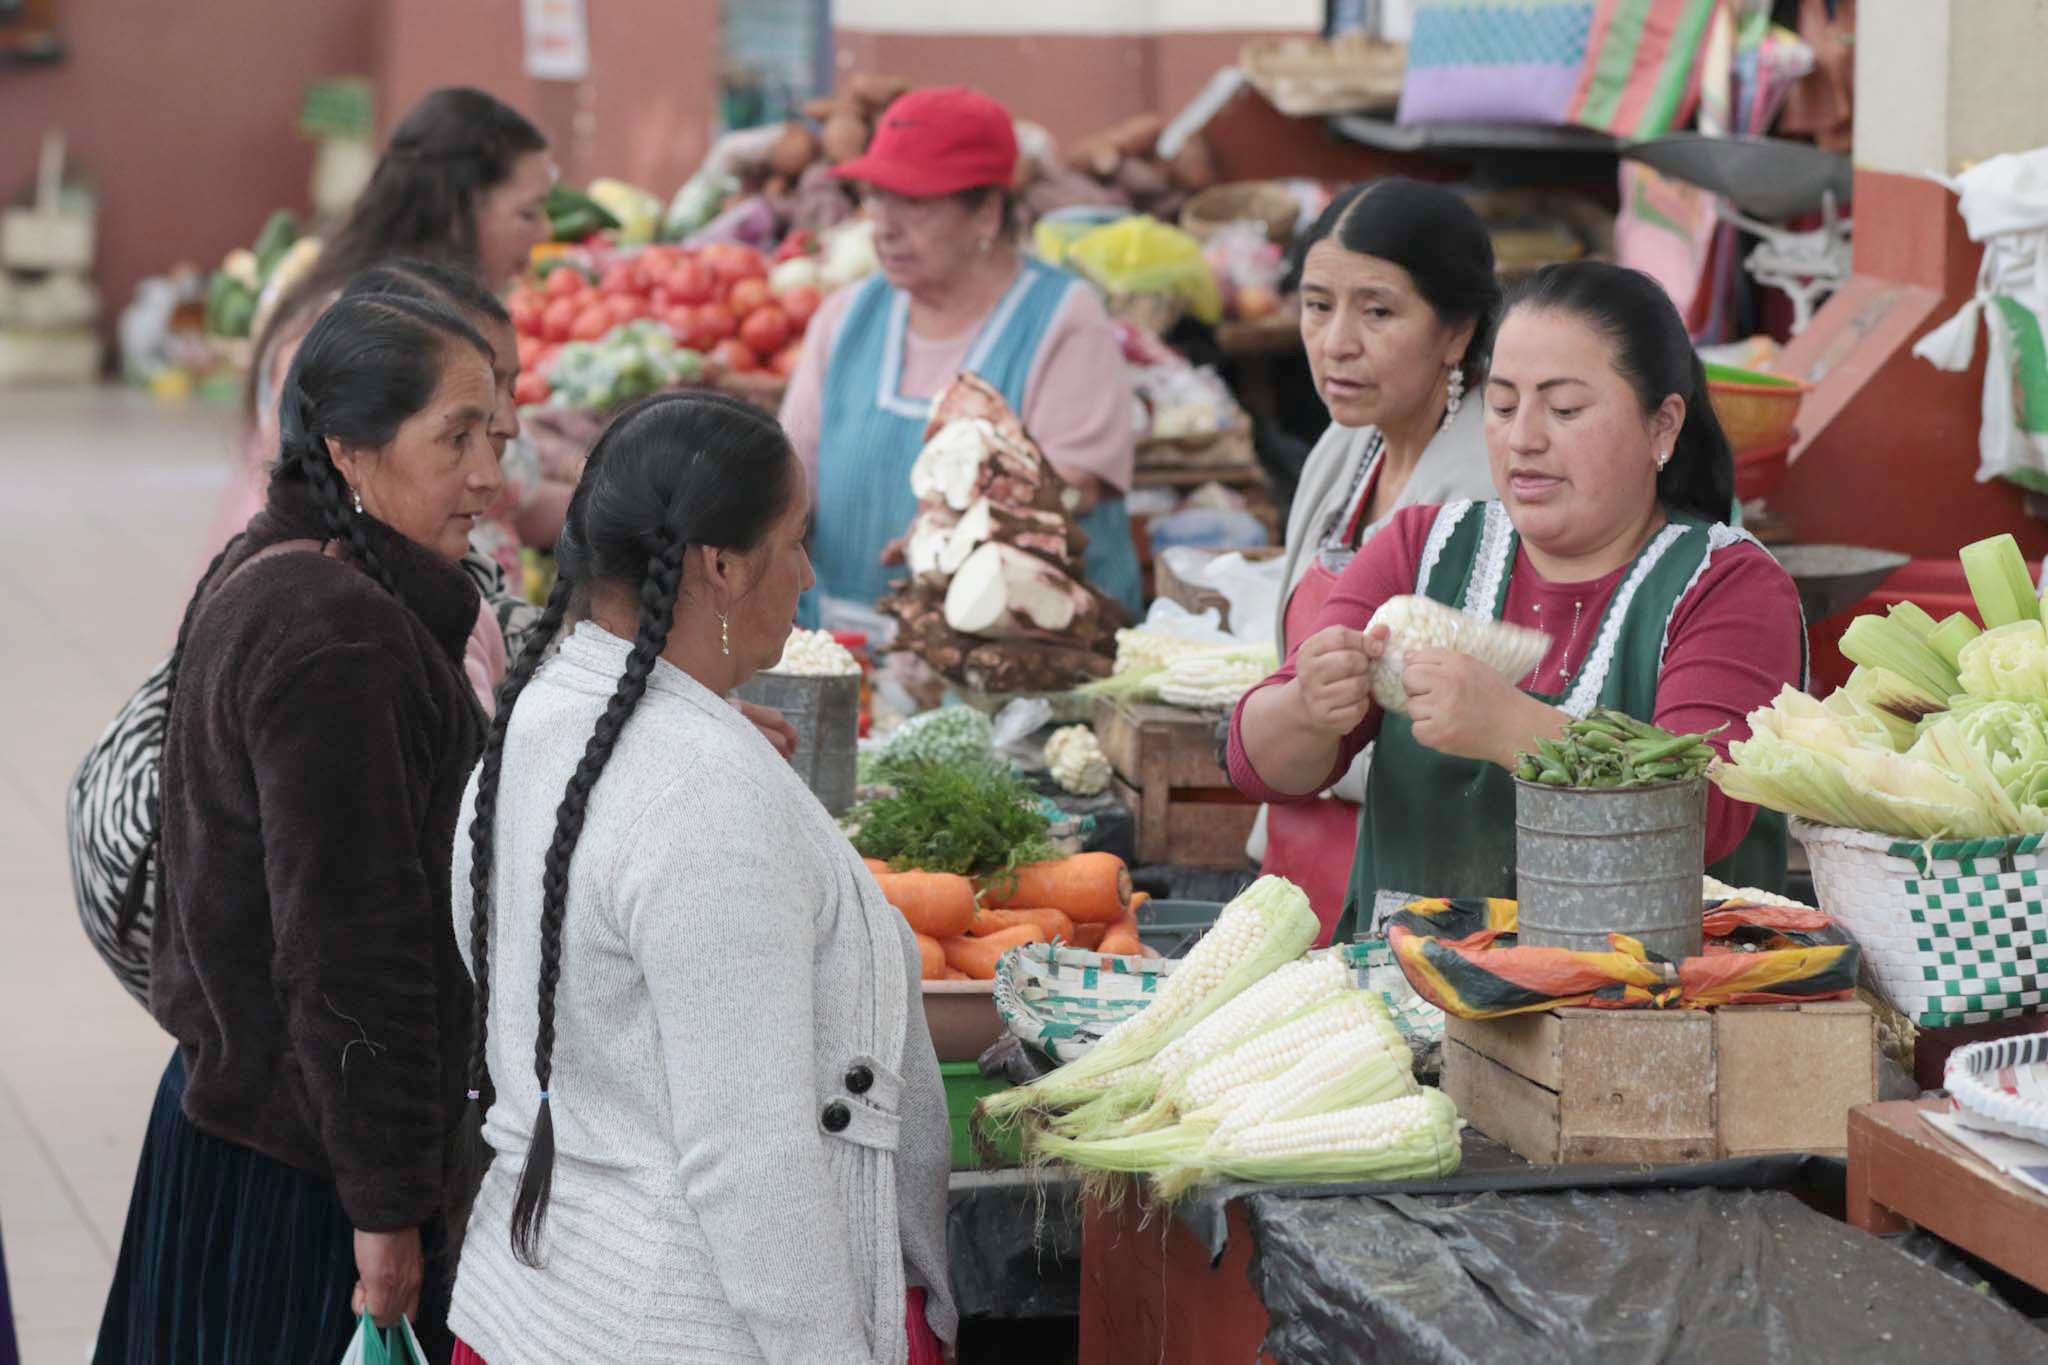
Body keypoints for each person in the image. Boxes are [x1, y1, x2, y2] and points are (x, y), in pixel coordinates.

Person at [447, 392, 954, 1363]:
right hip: (687, 1325)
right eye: (796, 543)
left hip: (539, 1304)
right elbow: (748, 1157)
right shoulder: (701, 796)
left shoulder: (543, 718)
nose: (808, 577)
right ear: (720, 566)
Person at [96, 293, 504, 1362]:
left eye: (493, 436)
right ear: (351, 448)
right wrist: (384, 1209)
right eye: (455, 436)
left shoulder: (291, 562)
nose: (488, 476)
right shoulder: (339, 637)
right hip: (302, 1168)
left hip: (238, 1124)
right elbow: (348, 947)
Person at [1230, 261, 1806, 942]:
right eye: (1502, 406)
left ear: (1663, 426)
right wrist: (1307, 707)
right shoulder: (1423, 547)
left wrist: (1512, 729)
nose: (1524, 439)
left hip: (1648, 1011)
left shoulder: (1727, 584)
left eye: (1564, 409)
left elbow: (1703, 814)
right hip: (1411, 1000)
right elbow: (1259, 764)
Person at [780, 85, 1142, 625]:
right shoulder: (847, 316)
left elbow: (1074, 486)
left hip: (1021, 654)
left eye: (915, 203)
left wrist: (954, 529)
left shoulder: (1062, 317)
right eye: (876, 197)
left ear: (988, 213)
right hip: (848, 649)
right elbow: (790, 480)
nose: (885, 225)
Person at [1251, 179, 1506, 943]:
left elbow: (1464, 734)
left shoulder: (1488, 490)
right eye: (1318, 304)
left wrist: (1292, 730)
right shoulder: (1345, 445)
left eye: (1378, 311)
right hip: (1294, 865)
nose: (1336, 342)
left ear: (1456, 332)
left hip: (1413, 886)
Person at [215, 89, 569, 581]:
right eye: (527, 213)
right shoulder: (354, 332)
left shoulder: (438, 323)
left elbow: (514, 498)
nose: (545, 231)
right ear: (457, 210)